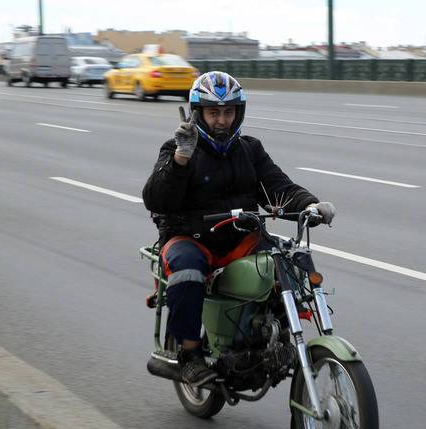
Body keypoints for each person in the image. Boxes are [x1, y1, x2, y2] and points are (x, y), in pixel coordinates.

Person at [142, 71, 335, 387]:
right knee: (187, 271)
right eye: (214, 112)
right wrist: (180, 158)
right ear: (199, 113)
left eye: (228, 111)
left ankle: (278, 334)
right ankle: (189, 356)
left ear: (238, 113)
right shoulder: (177, 149)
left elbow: (278, 186)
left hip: (241, 237)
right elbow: (155, 198)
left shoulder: (249, 149)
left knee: (286, 261)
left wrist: (311, 206)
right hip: (191, 237)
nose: (221, 120)